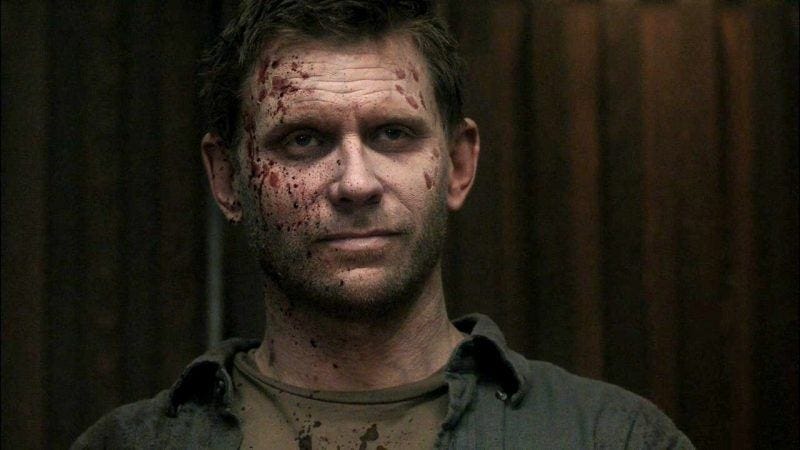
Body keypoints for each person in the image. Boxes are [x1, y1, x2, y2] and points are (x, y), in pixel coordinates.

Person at [73, 1, 693, 448]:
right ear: (229, 178)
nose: (356, 182)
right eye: (303, 139)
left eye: (392, 134)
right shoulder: (131, 444)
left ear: (457, 166)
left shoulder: (611, 437)